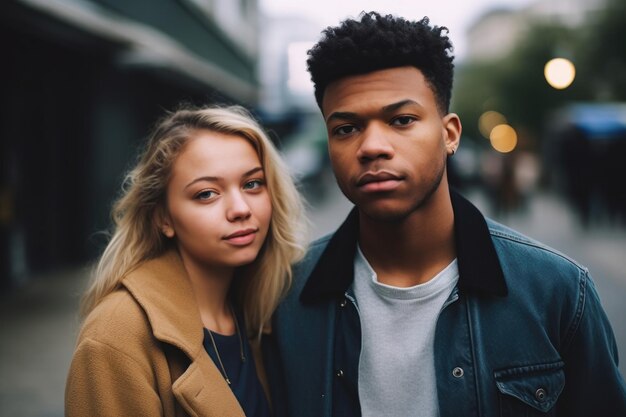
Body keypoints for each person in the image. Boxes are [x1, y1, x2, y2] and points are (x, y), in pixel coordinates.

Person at [263, 12, 626, 417]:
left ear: (449, 134)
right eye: (346, 128)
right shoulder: (286, 296)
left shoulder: (557, 291)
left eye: (401, 120)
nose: (372, 146)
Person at [65, 105, 306, 416]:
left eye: (252, 184)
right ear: (164, 217)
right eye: (207, 193)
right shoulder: (115, 336)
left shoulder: (261, 309)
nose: (240, 208)